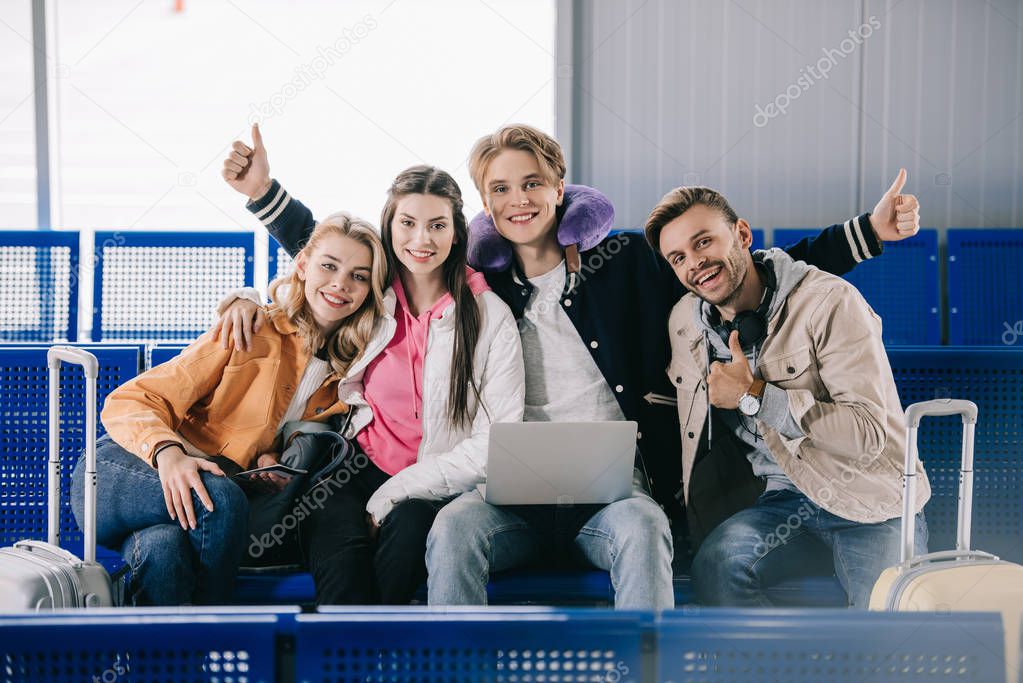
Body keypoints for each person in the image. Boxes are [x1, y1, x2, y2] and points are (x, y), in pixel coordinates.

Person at [221, 122, 921, 609]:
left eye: (531, 183)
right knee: (451, 529)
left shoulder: (625, 265)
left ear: (560, 188)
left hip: (614, 486)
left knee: (643, 530)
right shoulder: (480, 284)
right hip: (504, 489)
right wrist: (265, 202)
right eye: (499, 189)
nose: (517, 199)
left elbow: (730, 269)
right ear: (485, 205)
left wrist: (867, 232)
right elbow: (375, 262)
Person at [219, 137, 525, 603]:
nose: (421, 240)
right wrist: (246, 296)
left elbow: (494, 445)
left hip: (432, 482)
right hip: (351, 469)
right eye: (407, 223)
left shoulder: (489, 317)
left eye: (437, 225)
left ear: (457, 233)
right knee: (340, 579)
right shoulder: (370, 293)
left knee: (397, 558)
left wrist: (396, 492)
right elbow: (317, 266)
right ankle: (339, 665)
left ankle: (379, 665)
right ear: (390, 226)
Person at [71, 213, 389, 605]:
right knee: (219, 499)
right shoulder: (250, 329)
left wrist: (261, 464)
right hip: (120, 472)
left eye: (359, 276)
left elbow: (255, 434)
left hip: (192, 508)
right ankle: (219, 637)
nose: (341, 283)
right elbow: (130, 400)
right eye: (329, 266)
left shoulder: (347, 376)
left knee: (163, 552)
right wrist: (168, 454)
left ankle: (174, 668)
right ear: (303, 265)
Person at [645, 185, 930, 608]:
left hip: (868, 498)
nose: (695, 263)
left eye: (704, 241)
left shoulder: (829, 302)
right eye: (679, 258)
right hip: (782, 502)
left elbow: (871, 435)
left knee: (886, 618)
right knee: (717, 565)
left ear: (742, 234)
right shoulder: (686, 322)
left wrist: (755, 395)